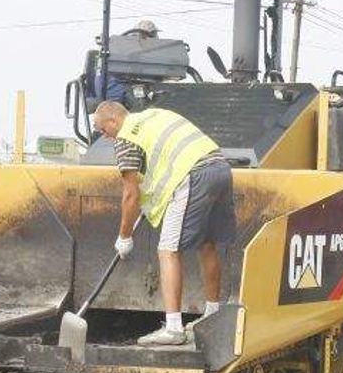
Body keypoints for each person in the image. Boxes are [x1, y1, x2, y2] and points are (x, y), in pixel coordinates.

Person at [92, 100, 236, 346]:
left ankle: (172, 328)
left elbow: (130, 194)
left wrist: (124, 237)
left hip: (194, 175)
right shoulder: (154, 115)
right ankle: (213, 314)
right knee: (207, 244)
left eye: (103, 130)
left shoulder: (126, 138)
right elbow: (161, 164)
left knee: (168, 249)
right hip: (219, 168)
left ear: (113, 120)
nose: (104, 137)